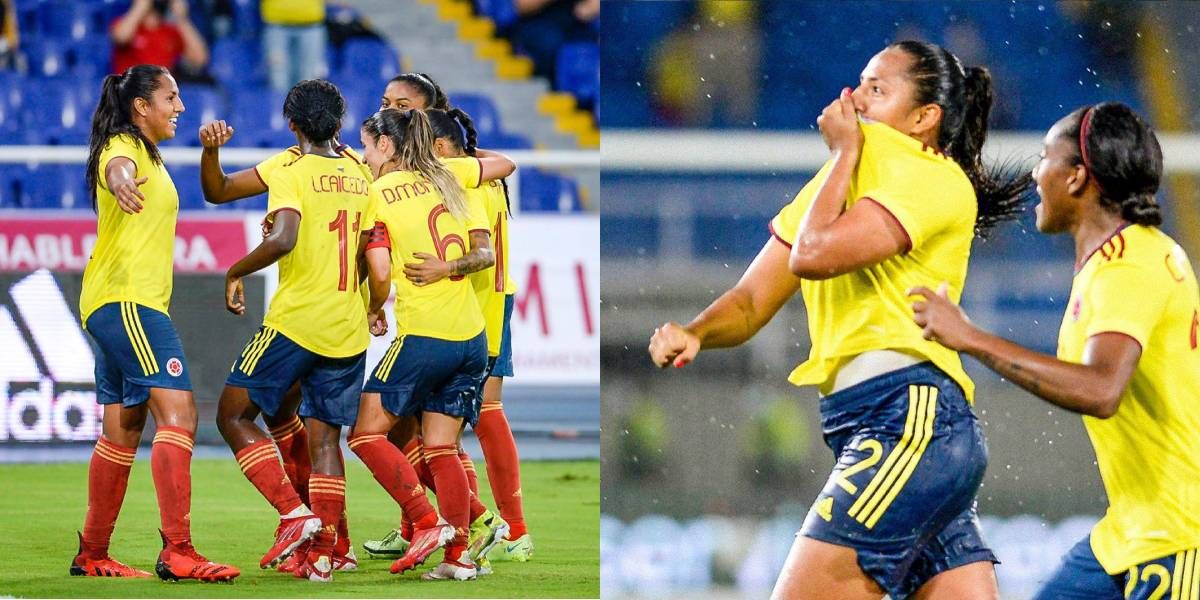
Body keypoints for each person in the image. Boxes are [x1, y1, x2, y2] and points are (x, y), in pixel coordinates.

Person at [647, 40, 1028, 599]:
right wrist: (697, 331)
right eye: (860, 82)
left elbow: (813, 254)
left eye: (878, 88)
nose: (854, 97)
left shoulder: (933, 178)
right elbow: (753, 301)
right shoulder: (836, 180)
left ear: (925, 118)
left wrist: (844, 155)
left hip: (907, 421)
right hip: (891, 428)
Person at [911, 102, 1200, 600]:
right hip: (1127, 535)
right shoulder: (1128, 256)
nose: (1034, 172)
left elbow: (1102, 388)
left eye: (1045, 157)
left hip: (1177, 538)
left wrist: (970, 337)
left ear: (1076, 179)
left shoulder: (1129, 265)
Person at [72, 64, 238, 582]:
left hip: (113, 301)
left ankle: (93, 553)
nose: (180, 107)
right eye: (171, 97)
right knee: (180, 415)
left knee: (124, 429)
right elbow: (114, 167)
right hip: (129, 303)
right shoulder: (124, 148)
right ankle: (179, 551)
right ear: (141, 106)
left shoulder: (149, 153)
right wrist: (121, 184)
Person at [213, 79, 374, 583]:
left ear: (292, 125)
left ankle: (293, 512)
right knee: (324, 439)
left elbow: (283, 237)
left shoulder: (293, 168)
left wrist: (235, 270)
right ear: (341, 123)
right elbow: (371, 250)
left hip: (296, 322)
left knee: (233, 415)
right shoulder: (359, 172)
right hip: (347, 327)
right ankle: (328, 552)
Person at [347, 108, 514, 581]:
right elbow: (485, 254)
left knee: (364, 433)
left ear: (384, 146)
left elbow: (379, 269)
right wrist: (450, 268)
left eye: (366, 146)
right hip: (471, 340)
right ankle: (458, 559)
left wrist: (374, 307)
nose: (364, 156)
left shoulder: (377, 193)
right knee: (441, 448)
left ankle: (425, 521)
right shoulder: (453, 180)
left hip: (425, 335)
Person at [110, 0, 209, 79]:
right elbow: (121, 37)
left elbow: (200, 59)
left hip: (160, 97)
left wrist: (181, 19)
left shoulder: (170, 30)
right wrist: (140, 7)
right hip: (129, 96)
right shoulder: (126, 24)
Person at [262, 0, 327, 92]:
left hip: (310, 24)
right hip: (276, 24)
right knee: (278, 76)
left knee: (309, 77)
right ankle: (278, 106)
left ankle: (305, 105)